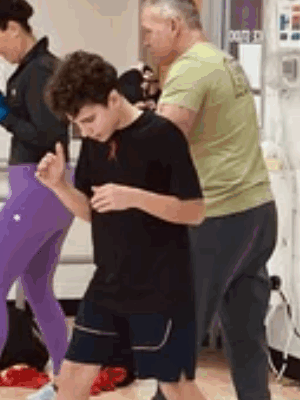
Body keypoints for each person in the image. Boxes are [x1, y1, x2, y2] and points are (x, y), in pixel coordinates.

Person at [39, 50, 209, 400]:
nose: (86, 131)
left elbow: (195, 211)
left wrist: (134, 197)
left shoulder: (162, 135)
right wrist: (59, 186)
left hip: (161, 285)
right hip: (110, 282)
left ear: (114, 98)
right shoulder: (93, 142)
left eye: (90, 119)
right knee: (70, 380)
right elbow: (92, 211)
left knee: (175, 385)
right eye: (78, 124)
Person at [140, 1, 278, 399]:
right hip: (257, 214)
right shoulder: (223, 61)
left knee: (178, 337)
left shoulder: (190, 67)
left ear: (174, 24)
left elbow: (162, 146)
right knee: (245, 337)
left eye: (151, 31)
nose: (147, 42)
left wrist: (127, 121)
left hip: (220, 219)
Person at [0, 1, 73, 400]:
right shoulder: (33, 71)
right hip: (46, 193)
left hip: (38, 190)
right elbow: (43, 126)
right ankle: (64, 384)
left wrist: (4, 115)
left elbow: (47, 136)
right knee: (38, 288)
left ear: (13, 28)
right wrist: (8, 108)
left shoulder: (39, 70)